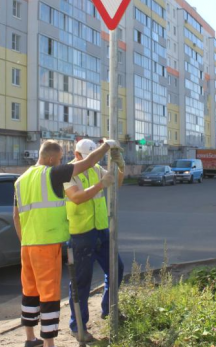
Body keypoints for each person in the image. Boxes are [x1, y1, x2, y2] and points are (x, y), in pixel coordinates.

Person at [13, 138, 119, 347]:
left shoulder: (20, 180)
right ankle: (49, 343)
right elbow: (88, 162)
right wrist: (107, 146)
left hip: (27, 245)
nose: (62, 161)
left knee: (30, 291)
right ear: (51, 158)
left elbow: (16, 217)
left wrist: (25, 241)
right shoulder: (53, 173)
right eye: (60, 158)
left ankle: (30, 338)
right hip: (48, 243)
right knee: (49, 294)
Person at [63, 139, 125, 341]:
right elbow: (77, 198)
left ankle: (109, 310)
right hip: (80, 234)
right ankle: (78, 326)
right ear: (78, 155)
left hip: (100, 231)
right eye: (88, 157)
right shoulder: (67, 173)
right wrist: (100, 185)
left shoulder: (96, 168)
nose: (92, 162)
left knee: (117, 269)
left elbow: (116, 184)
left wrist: (119, 168)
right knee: (82, 281)